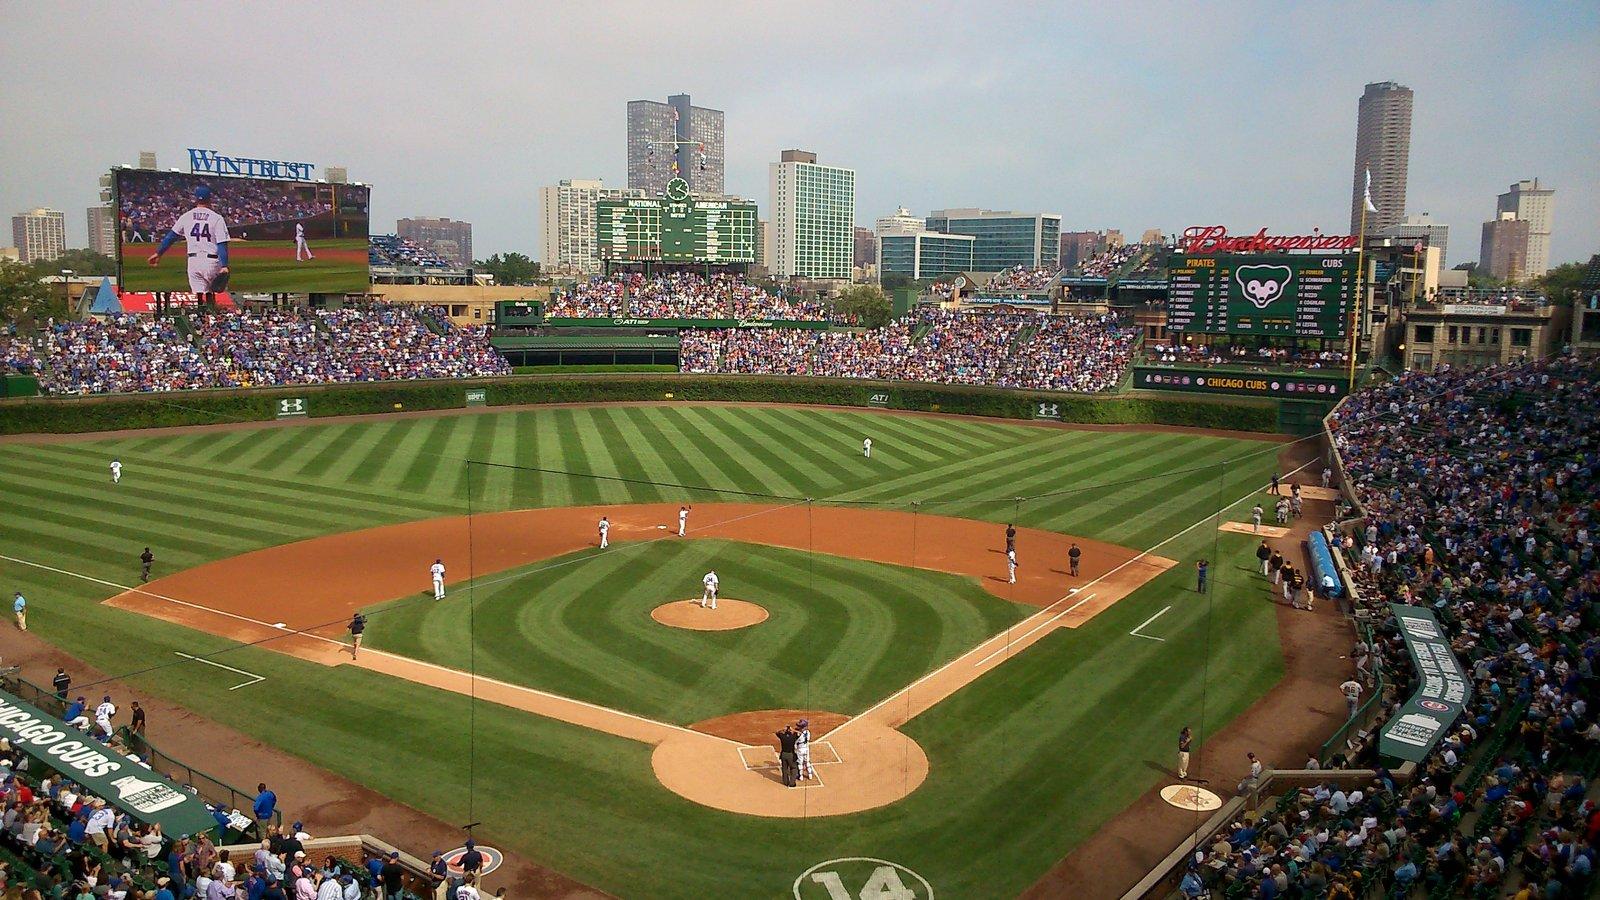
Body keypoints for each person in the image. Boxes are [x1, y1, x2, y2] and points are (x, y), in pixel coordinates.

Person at [147, 185, 232, 294]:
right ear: (210, 199)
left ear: (195, 199)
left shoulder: (186, 216)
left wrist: (158, 253)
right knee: (219, 297)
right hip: (212, 262)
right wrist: (224, 265)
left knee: (199, 299)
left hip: (193, 262)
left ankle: (201, 311)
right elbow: (221, 244)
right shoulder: (216, 218)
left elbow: (171, 236)